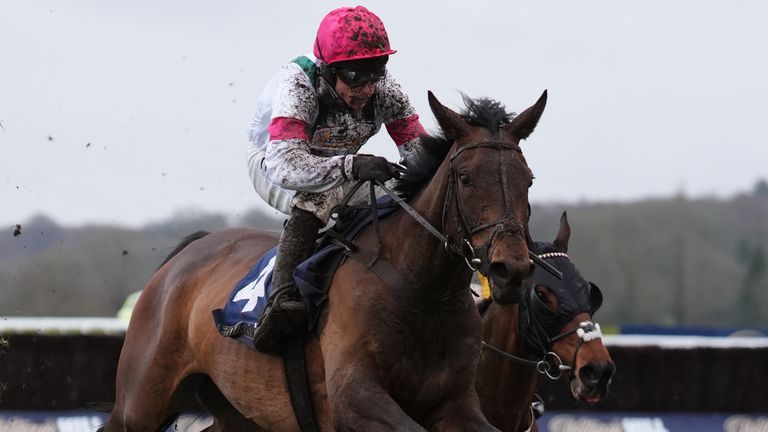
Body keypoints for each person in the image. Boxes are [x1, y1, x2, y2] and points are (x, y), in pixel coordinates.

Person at [246, 6, 426, 353]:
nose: (366, 89)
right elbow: (286, 165)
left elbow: (419, 154)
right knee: (319, 197)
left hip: (330, 163)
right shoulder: (297, 86)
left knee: (404, 194)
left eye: (375, 74)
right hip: (274, 162)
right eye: (356, 78)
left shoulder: (385, 90)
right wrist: (351, 166)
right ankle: (280, 301)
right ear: (329, 69)